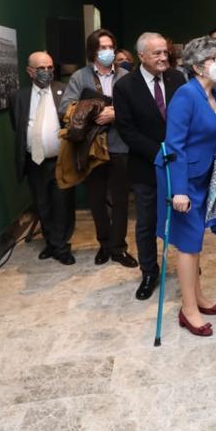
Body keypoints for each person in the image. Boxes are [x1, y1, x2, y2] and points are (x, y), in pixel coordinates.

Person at [156, 36, 216, 337]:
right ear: (199, 66)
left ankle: (197, 296)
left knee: (195, 241)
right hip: (182, 178)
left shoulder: (213, 94)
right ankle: (188, 310)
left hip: (203, 176)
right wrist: (180, 191)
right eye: (214, 58)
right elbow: (174, 146)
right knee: (187, 245)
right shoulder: (186, 96)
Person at [115, 32, 186, 300]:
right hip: (146, 166)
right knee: (146, 222)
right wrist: (159, 152)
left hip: (178, 165)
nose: (162, 57)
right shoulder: (125, 87)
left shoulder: (177, 79)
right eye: (156, 53)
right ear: (142, 56)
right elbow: (126, 130)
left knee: (182, 216)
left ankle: (187, 265)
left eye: (165, 52)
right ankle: (149, 272)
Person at [61, 29, 137, 268]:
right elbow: (66, 108)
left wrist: (115, 114)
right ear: (92, 51)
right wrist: (96, 112)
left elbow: (137, 110)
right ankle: (104, 244)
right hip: (91, 148)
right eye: (102, 47)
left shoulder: (126, 76)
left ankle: (118, 247)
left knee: (121, 199)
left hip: (120, 146)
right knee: (96, 199)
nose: (107, 52)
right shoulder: (80, 77)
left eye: (110, 47)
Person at [10, 52, 75, 265]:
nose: (47, 72)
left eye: (49, 67)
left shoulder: (64, 91)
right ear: (30, 71)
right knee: (43, 204)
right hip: (34, 161)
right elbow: (17, 126)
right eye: (41, 68)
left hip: (60, 160)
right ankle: (52, 242)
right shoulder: (19, 97)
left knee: (62, 203)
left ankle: (61, 246)